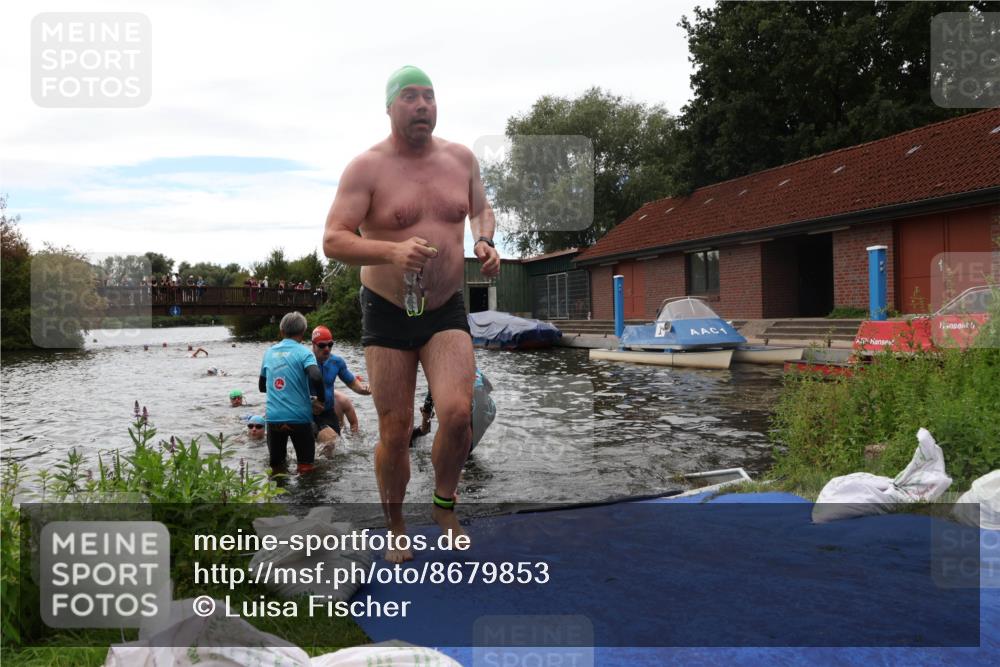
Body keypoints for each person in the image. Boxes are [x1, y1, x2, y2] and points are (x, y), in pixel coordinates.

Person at [323, 65, 500, 562]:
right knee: (396, 429)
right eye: (409, 97)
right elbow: (333, 239)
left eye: (429, 96)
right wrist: (390, 252)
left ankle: (445, 505)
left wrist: (485, 240)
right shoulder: (367, 168)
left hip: (445, 307)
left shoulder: (461, 159)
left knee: (458, 414)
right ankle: (396, 523)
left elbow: (481, 209)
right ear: (389, 107)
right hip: (387, 309)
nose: (422, 104)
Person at [259, 312, 326, 474]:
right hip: (299, 418)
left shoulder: (268, 353)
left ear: (281, 331)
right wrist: (321, 401)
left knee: (277, 467)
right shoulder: (304, 352)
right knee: (306, 467)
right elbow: (316, 376)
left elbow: (262, 387)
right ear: (303, 333)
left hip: (274, 418)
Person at [310, 325, 370, 448]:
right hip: (309, 414)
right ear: (313, 345)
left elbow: (353, 384)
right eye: (322, 345)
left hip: (329, 413)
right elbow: (291, 390)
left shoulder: (337, 362)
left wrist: (366, 389)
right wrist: (309, 400)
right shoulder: (304, 362)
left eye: (330, 344)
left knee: (333, 451)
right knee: (329, 441)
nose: (327, 349)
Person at [411, 369, 495, 452]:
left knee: (454, 454)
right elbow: (489, 387)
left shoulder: (435, 381)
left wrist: (417, 432)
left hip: (474, 407)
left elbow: (425, 428)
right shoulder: (470, 366)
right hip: (490, 408)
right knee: (465, 453)